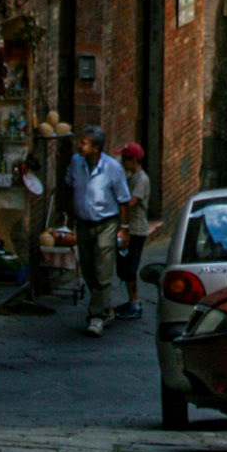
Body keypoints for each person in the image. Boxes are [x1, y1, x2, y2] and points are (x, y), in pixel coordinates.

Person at [66, 125, 130, 336]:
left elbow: (123, 200)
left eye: (84, 143)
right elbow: (70, 186)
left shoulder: (112, 168)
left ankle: (96, 317)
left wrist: (124, 228)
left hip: (106, 224)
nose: (79, 146)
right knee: (88, 270)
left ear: (96, 148)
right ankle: (106, 308)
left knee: (103, 271)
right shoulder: (76, 163)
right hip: (83, 223)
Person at [114, 142, 150, 320]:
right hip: (127, 228)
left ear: (133, 160)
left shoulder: (141, 179)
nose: (122, 162)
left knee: (130, 267)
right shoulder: (130, 177)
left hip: (135, 230)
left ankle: (135, 303)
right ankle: (131, 301)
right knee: (124, 266)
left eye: (125, 158)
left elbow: (131, 202)